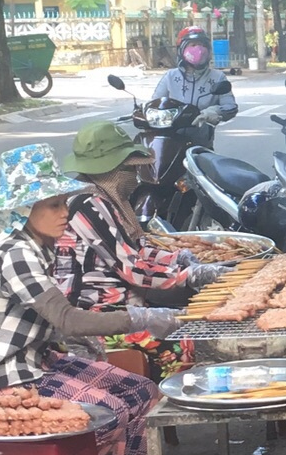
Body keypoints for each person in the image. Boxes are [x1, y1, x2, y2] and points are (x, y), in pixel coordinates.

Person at [0, 145, 182, 455]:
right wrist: (139, 318)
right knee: (108, 414)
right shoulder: (14, 253)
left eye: (64, 203)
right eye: (54, 206)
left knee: (142, 392)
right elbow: (67, 319)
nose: (65, 213)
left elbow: (57, 319)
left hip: (34, 361)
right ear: (24, 210)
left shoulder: (39, 246)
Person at [55, 120, 222, 313]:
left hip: (126, 297)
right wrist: (190, 275)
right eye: (130, 168)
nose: (135, 176)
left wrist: (175, 258)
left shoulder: (106, 198)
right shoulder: (89, 206)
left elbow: (136, 249)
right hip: (96, 310)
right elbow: (133, 269)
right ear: (114, 171)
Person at [152, 27, 237, 128]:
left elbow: (230, 106)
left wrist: (213, 111)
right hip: (171, 130)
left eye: (203, 45)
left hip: (201, 131)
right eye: (193, 45)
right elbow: (154, 104)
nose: (199, 49)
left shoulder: (217, 77)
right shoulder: (171, 76)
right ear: (181, 49)